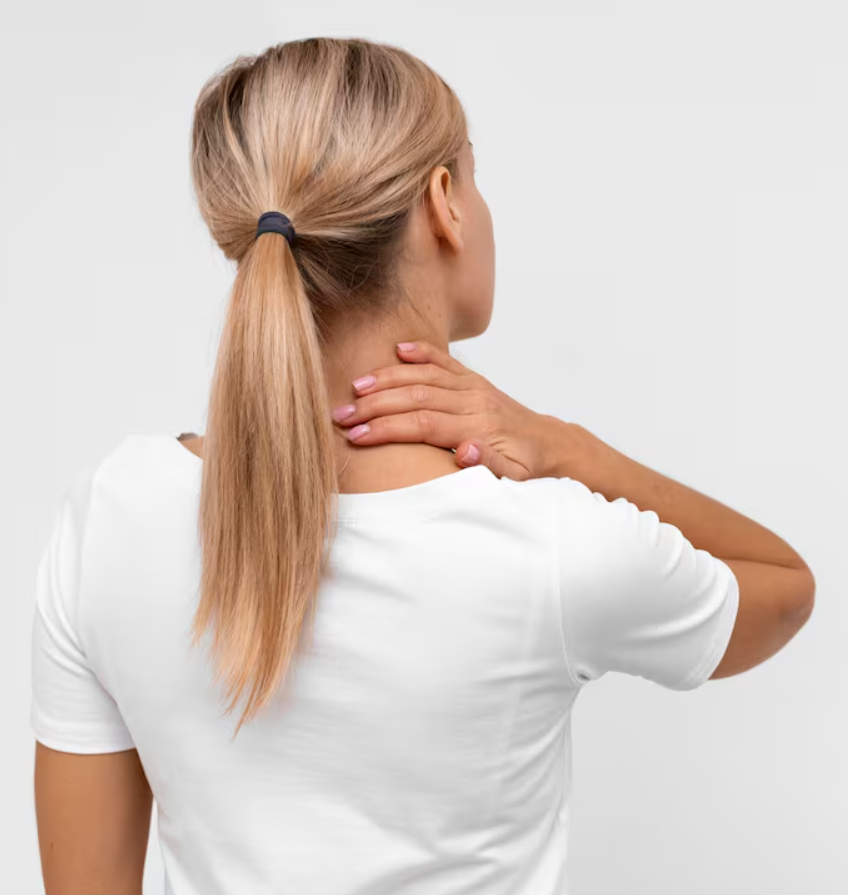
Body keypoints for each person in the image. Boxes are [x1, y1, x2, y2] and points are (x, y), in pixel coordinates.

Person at [30, 36, 815, 895]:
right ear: (444, 201)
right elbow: (783, 584)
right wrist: (564, 445)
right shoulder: (548, 545)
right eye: (473, 176)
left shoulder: (112, 514)